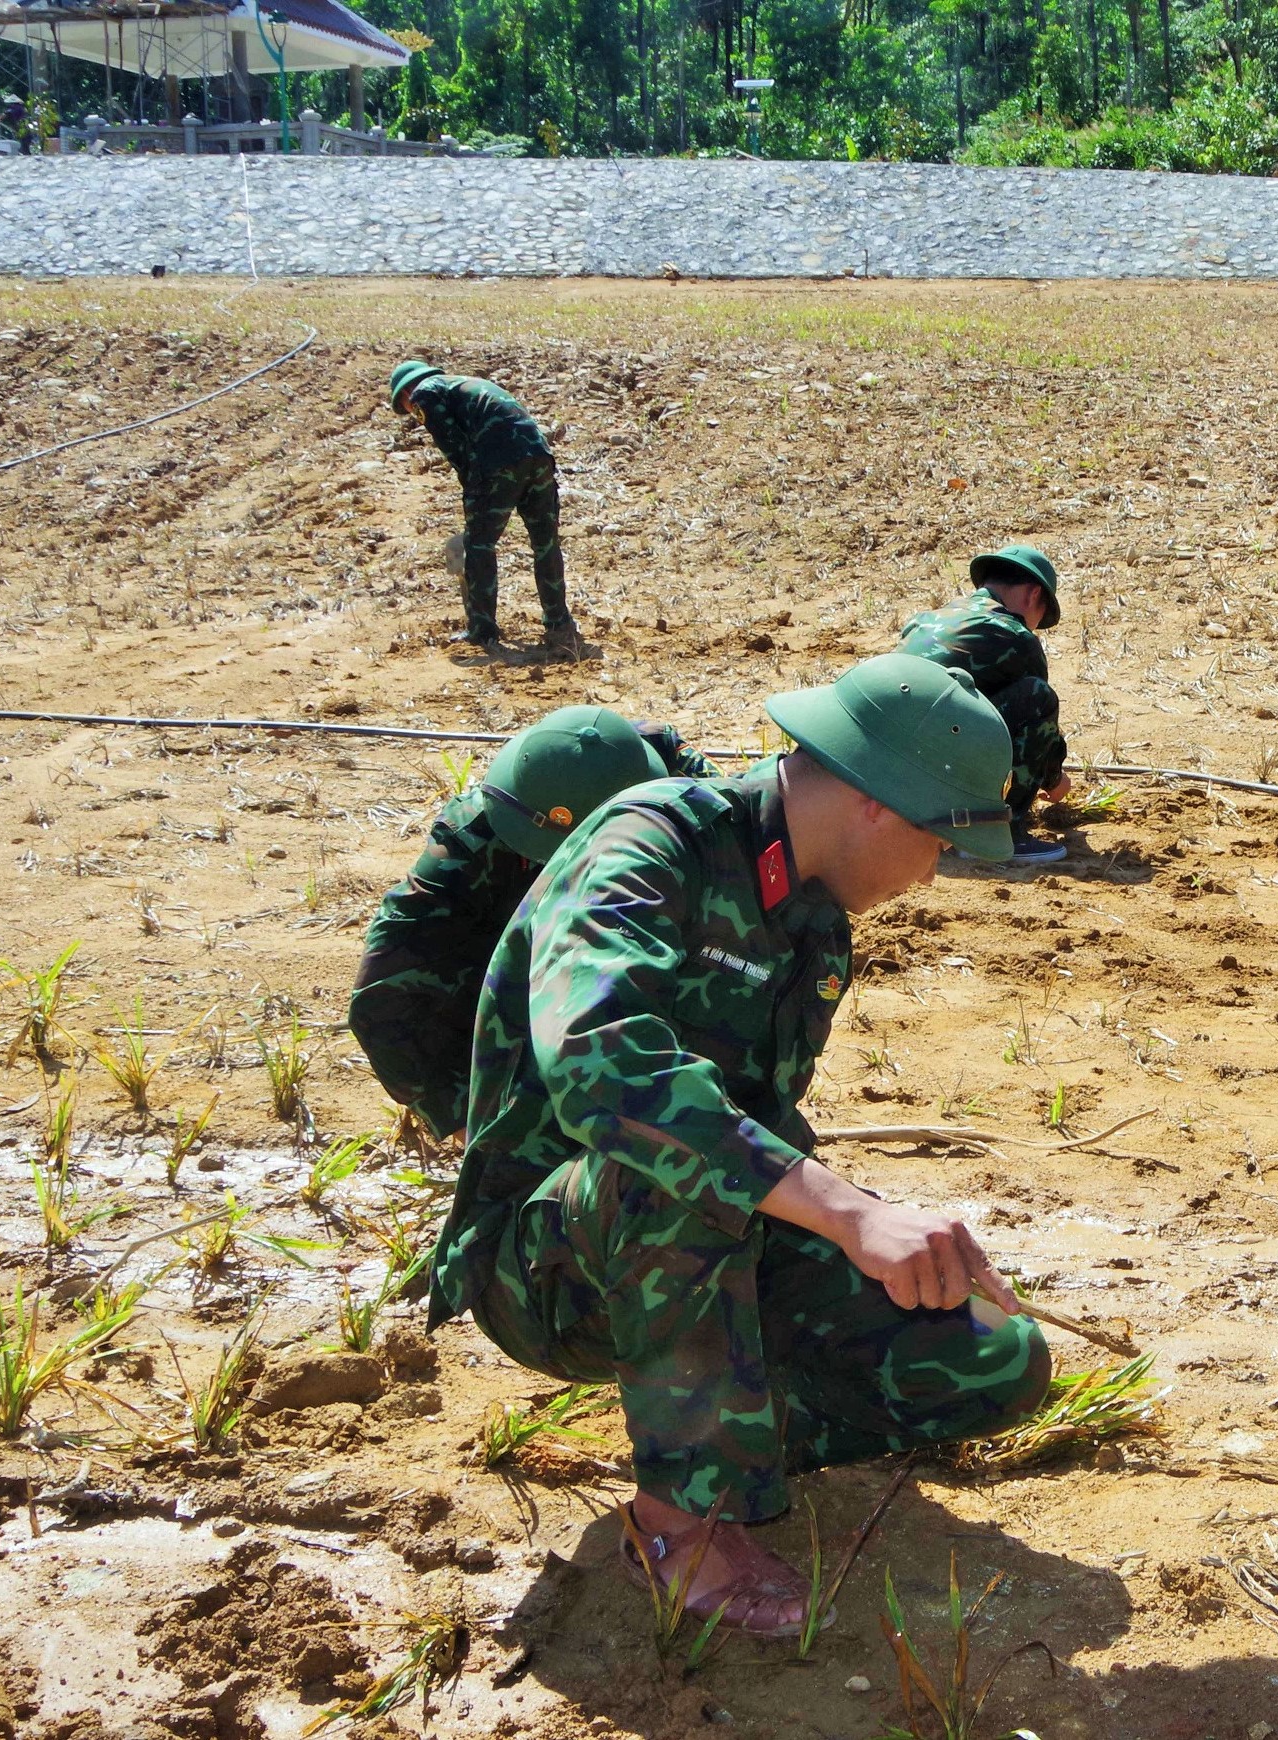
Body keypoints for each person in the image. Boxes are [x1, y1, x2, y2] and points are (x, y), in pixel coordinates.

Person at [427, 654, 1048, 1638]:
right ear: (880, 806)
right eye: (939, 841)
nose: (933, 871)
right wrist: (851, 1214)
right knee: (672, 1166)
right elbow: (607, 1071)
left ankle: (712, 1430)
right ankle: (684, 1521)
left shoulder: (813, 928)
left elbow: (763, 1123)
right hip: (548, 1260)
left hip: (701, 1254)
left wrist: (881, 1235)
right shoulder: (651, 839)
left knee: (994, 1361)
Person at [348, 706, 718, 1142]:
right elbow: (382, 999)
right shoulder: (471, 842)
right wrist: (465, 1119)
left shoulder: (662, 766)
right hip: (520, 972)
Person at [388, 360, 579, 657]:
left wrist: (473, 494)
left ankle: (482, 629)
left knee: (478, 545)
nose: (412, 412)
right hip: (539, 456)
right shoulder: (463, 384)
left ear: (406, 393)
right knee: (545, 543)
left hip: (498, 461)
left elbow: (454, 448)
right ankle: (559, 623)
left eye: (406, 406)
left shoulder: (424, 392)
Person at [897, 545, 1072, 864]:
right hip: (935, 754)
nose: (1035, 625)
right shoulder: (1016, 635)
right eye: (1040, 616)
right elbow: (1039, 719)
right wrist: (1055, 780)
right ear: (1034, 595)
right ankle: (1001, 836)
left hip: (891, 770)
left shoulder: (924, 620)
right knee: (1037, 696)